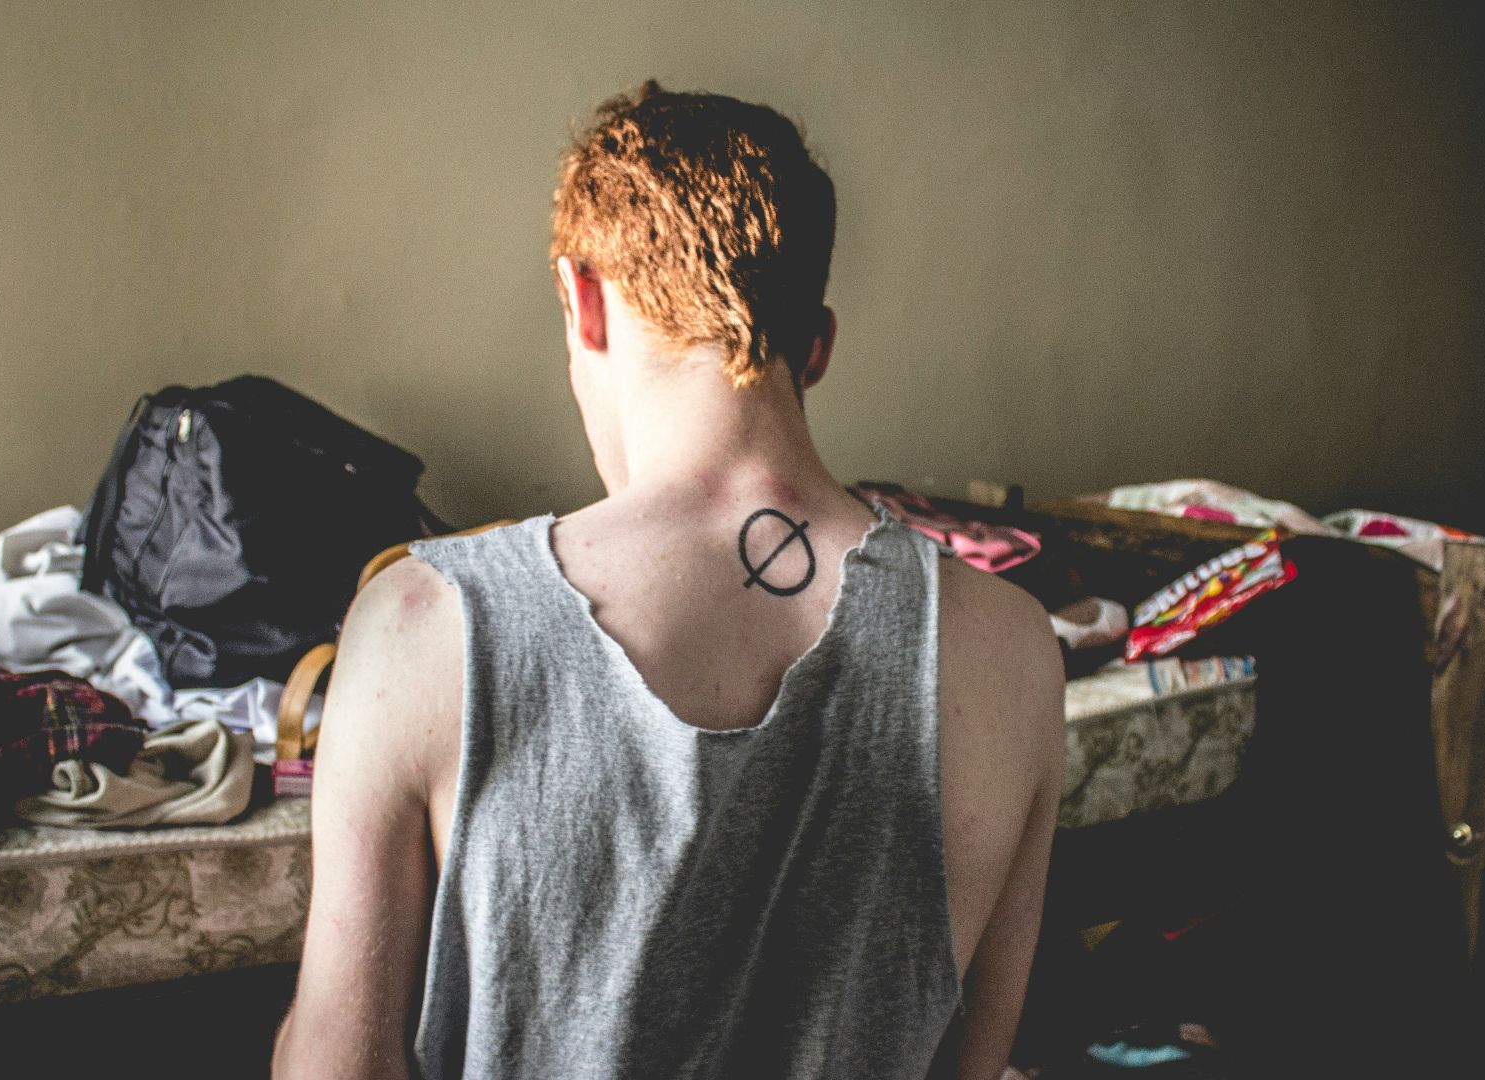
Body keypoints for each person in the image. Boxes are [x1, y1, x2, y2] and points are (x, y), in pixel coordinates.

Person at [274, 81, 1064, 1080]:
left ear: (583, 298)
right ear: (814, 347)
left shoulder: (422, 625)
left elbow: (334, 1070)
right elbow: (977, 1064)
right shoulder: (1012, 650)